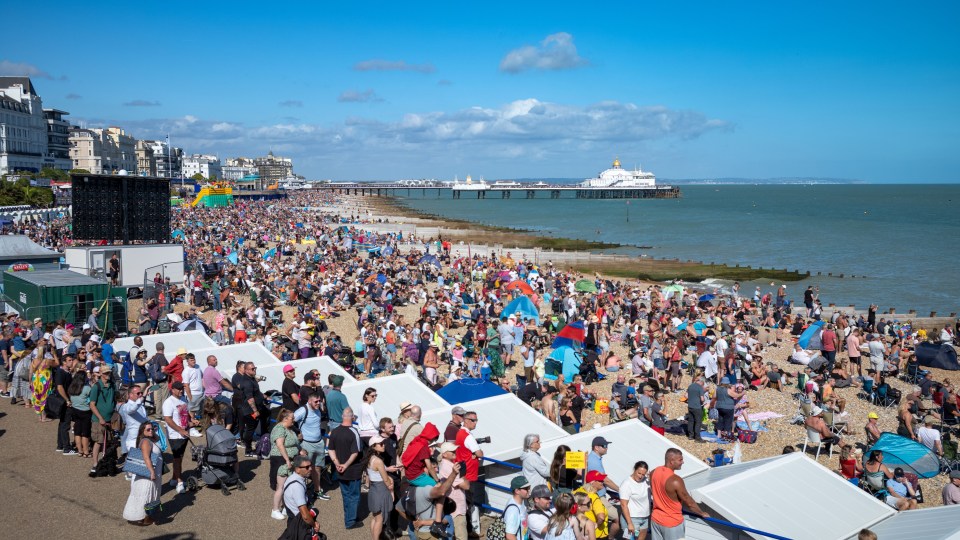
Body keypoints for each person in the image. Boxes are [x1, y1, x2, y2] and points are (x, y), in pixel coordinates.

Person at [650, 448, 707, 540]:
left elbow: (654, 491)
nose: (683, 462)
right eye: (680, 460)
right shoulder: (676, 480)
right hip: (672, 523)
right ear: (672, 461)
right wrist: (702, 513)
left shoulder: (654, 472)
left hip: (656, 519)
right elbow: (689, 503)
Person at [329, 407, 364, 530]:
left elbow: (331, 449)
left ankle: (350, 516)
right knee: (354, 496)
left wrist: (337, 463)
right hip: (353, 470)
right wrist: (345, 464)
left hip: (340, 470)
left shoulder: (334, 431)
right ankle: (350, 521)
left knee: (346, 495)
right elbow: (356, 452)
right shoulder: (354, 431)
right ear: (352, 417)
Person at [293, 389, 331, 501]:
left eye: (319, 401)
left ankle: (317, 490)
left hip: (319, 443)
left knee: (317, 468)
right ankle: (300, 493)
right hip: (307, 444)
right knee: (304, 469)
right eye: (316, 401)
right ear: (309, 401)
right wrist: (298, 433)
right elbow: (290, 421)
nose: (318, 403)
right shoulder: (303, 410)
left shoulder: (318, 409)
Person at [122, 422, 162, 526]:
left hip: (148, 473)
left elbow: (158, 438)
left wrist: (152, 432)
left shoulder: (150, 439)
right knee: (146, 495)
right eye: (148, 430)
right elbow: (146, 457)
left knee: (145, 495)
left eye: (152, 429)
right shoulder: (145, 442)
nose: (151, 431)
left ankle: (141, 516)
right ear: (142, 432)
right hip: (147, 474)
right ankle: (144, 518)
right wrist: (152, 472)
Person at [163, 381, 198, 494]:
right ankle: (179, 482)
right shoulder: (168, 402)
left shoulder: (183, 399)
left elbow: (186, 413)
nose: (181, 391)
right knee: (177, 459)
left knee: (180, 458)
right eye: (178, 389)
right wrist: (180, 430)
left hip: (184, 433)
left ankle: (174, 479)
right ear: (172, 389)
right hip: (175, 435)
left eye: (182, 388)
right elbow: (168, 419)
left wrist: (192, 420)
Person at [270, 409, 304, 520]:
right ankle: (275, 509)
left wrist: (300, 450)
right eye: (292, 418)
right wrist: (287, 460)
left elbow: (295, 443)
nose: (294, 420)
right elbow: (280, 445)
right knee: (281, 486)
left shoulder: (289, 429)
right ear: (285, 419)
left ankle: (286, 507)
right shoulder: (279, 429)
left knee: (288, 486)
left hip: (291, 460)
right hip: (282, 461)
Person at [281, 456, 324, 539]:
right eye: (307, 467)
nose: (311, 469)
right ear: (297, 469)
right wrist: (314, 524)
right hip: (299, 524)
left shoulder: (294, 478)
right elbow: (305, 515)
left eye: (310, 466)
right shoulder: (297, 486)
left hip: (295, 522)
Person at [437, 441, 470, 540]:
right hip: (457, 509)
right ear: (444, 454)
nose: (455, 451)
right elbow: (466, 486)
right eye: (452, 450)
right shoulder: (448, 467)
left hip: (453, 507)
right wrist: (463, 475)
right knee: (461, 537)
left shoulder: (448, 464)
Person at [366, 435, 395, 540]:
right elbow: (385, 479)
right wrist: (391, 489)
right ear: (373, 446)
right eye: (381, 444)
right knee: (380, 519)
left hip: (374, 489)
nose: (384, 445)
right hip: (381, 490)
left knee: (375, 517)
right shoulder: (378, 461)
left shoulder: (370, 458)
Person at [89, 364, 117, 467]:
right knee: (98, 442)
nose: (108, 374)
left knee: (108, 441)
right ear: (101, 374)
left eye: (109, 372)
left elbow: (115, 398)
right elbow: (92, 405)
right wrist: (100, 418)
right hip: (98, 420)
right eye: (105, 373)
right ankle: (95, 463)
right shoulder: (96, 387)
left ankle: (106, 461)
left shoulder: (112, 385)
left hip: (110, 419)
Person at [619, 461, 651, 540]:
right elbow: (623, 505)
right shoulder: (627, 484)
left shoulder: (646, 481)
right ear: (634, 470)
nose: (641, 476)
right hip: (632, 518)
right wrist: (629, 523)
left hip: (645, 517)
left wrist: (652, 479)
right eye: (639, 473)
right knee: (630, 538)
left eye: (643, 474)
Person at [68, 369, 93, 458]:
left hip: (75, 410)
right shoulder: (87, 388)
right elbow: (92, 397)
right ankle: (86, 451)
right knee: (85, 432)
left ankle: (80, 451)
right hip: (85, 411)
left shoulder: (72, 387)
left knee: (77, 431)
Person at [118, 385, 149, 455]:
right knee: (136, 462)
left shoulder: (140, 405)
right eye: (138, 393)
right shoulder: (126, 406)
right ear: (130, 395)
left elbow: (145, 418)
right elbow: (132, 409)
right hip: (134, 440)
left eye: (141, 392)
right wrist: (143, 397)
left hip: (144, 437)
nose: (140, 394)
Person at [503, 476, 531, 540]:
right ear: (517, 491)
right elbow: (510, 536)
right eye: (526, 488)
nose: (529, 490)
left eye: (529, 487)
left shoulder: (520, 502)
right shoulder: (513, 510)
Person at [686, 376, 706, 442]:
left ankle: (690, 435)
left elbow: (686, 396)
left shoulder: (690, 386)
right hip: (697, 407)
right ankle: (697, 437)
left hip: (690, 406)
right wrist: (703, 401)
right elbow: (702, 399)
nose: (703, 385)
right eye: (703, 383)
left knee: (691, 421)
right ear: (701, 381)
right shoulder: (700, 388)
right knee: (698, 422)